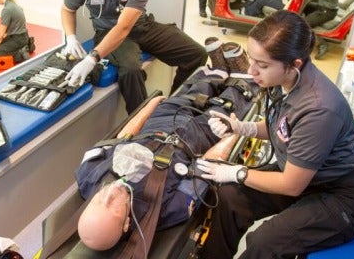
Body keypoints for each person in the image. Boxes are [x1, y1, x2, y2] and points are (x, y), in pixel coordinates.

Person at [197, 10, 354, 258]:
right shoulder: (285, 83)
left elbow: (291, 185)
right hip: (306, 175)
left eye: (262, 65)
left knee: (265, 242)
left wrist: (236, 171)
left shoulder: (319, 108)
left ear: (294, 64)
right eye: (251, 59)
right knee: (229, 197)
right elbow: (281, 127)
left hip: (343, 195)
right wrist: (242, 127)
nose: (252, 71)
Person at [75, 65, 259, 251]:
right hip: (198, 138)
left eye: (98, 201)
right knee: (231, 101)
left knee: (197, 88)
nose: (110, 194)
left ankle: (217, 70)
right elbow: (205, 167)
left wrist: (149, 107)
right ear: (126, 224)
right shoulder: (166, 211)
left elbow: (122, 138)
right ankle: (240, 74)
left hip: (159, 122)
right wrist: (234, 133)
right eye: (113, 207)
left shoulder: (88, 175)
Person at [61, 0, 208, 114]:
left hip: (141, 27)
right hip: (107, 33)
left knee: (197, 55)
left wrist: (92, 58)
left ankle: (173, 105)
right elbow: (67, 9)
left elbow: (124, 27)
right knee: (131, 71)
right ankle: (141, 122)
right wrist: (70, 37)